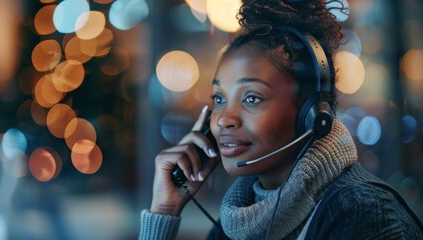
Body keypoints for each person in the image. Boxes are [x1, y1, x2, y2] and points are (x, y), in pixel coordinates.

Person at [139, 0, 423, 239]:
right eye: (219, 99)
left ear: (312, 113)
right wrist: (164, 211)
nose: (224, 119)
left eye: (252, 98)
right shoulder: (239, 221)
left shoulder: (361, 213)